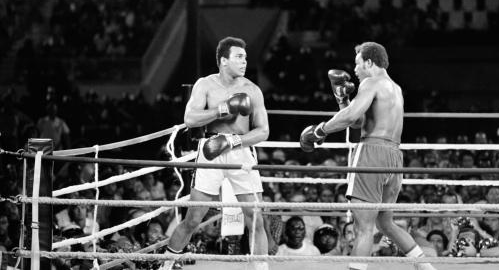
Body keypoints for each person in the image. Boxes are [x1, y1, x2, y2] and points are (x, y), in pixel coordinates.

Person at [300, 42, 436, 270]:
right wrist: (342, 99)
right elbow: (359, 121)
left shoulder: (371, 82)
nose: (354, 70)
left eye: (357, 64)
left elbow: (351, 116)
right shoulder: (395, 88)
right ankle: (426, 267)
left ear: (369, 62)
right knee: (385, 223)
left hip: (372, 153)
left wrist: (318, 130)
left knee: (363, 228)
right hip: (394, 157)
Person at [160, 37, 269, 270]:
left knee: (256, 217)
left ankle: (261, 268)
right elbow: (189, 119)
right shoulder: (205, 85)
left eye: (245, 58)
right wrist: (223, 110)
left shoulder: (252, 89)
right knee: (193, 219)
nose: (244, 62)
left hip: (240, 150)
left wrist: (233, 140)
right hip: (210, 151)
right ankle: (165, 265)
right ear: (223, 60)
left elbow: (263, 131)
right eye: (239, 57)